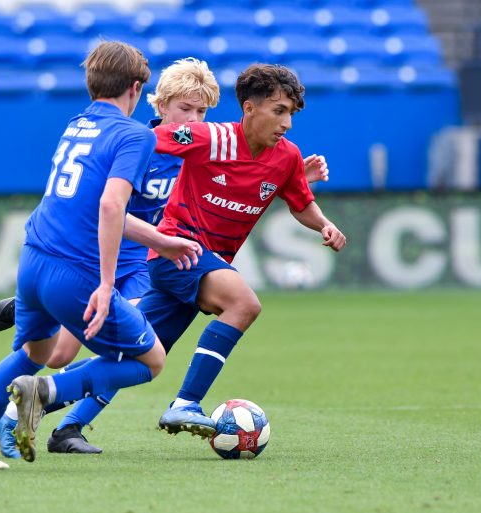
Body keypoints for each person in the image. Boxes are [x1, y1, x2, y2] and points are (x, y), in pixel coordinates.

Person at [0, 61, 331, 455]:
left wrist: (292, 175)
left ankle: (44, 420)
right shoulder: (144, 144)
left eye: (202, 111)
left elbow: (241, 179)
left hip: (157, 254)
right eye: (186, 109)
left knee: (135, 356)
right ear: (161, 106)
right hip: (120, 250)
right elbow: (107, 203)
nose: (196, 118)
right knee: (65, 352)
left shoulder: (205, 146)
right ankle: (48, 312)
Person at [0, 41, 203, 470]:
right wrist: (103, 282)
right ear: (137, 89)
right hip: (74, 272)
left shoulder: (77, 123)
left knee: (35, 354)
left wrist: (157, 241)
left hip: (33, 260)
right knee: (150, 359)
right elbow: (111, 205)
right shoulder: (134, 134)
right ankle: (42, 395)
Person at [141, 63, 347, 438]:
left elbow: (300, 202)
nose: (287, 123)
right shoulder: (212, 137)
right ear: (249, 108)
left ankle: (43, 396)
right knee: (244, 304)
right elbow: (149, 141)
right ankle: (186, 403)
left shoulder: (286, 156)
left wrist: (325, 224)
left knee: (136, 356)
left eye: (291, 114)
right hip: (179, 250)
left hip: (202, 262)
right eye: (279, 111)